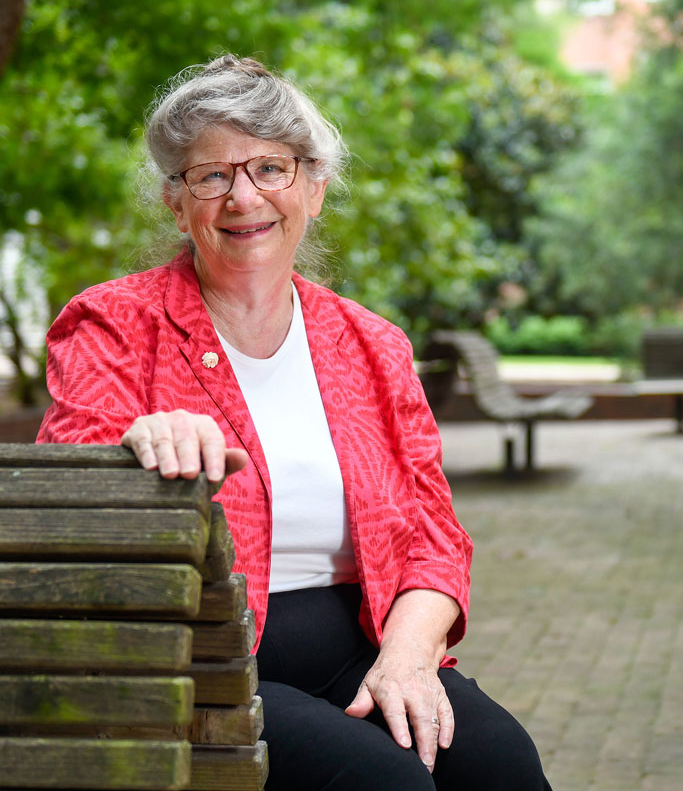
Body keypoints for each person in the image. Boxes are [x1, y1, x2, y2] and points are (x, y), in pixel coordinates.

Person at [37, 54, 550, 791]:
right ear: (176, 204)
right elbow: (69, 471)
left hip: (363, 648)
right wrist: (135, 443)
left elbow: (436, 539)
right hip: (199, 662)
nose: (243, 197)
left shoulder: (372, 344)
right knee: (389, 787)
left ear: (314, 187)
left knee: (503, 767)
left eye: (270, 169)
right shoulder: (116, 324)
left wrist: (406, 660)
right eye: (211, 176)